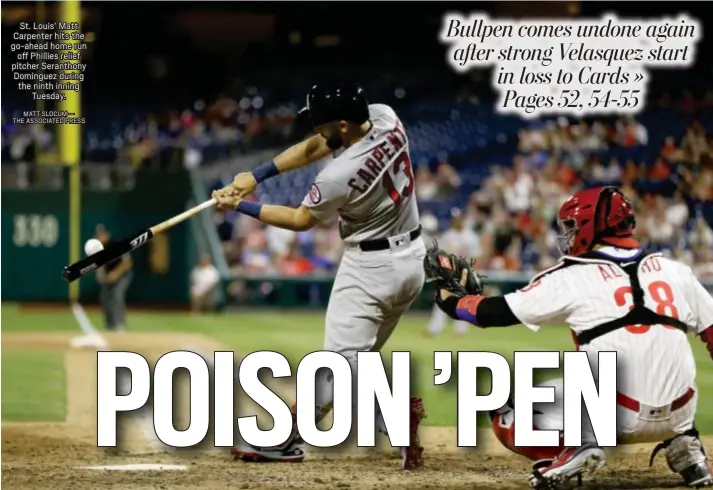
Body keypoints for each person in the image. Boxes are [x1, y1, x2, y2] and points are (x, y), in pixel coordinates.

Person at [433, 187, 713, 489]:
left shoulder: (572, 275)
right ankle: (686, 447)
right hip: (681, 410)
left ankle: (576, 448)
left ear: (592, 226)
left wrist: (450, 301)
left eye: (572, 226)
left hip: (611, 413)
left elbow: (493, 314)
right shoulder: (677, 272)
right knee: (664, 362)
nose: (568, 234)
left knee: (505, 408)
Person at [212, 81, 427, 470]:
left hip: (370, 268)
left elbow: (299, 220)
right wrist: (257, 174)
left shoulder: (338, 175)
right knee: (345, 363)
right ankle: (291, 434)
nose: (315, 129)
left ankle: (394, 417)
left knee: (340, 363)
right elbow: (320, 145)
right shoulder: (384, 117)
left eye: (323, 122)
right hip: (412, 259)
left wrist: (241, 205)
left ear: (343, 124)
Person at [424, 208, 479, 337]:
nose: (457, 220)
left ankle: (460, 331)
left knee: (464, 303)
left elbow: (475, 257)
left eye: (459, 218)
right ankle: (434, 329)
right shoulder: (448, 235)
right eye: (455, 218)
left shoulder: (471, 237)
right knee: (441, 300)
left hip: (465, 272)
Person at [95, 225, 133, 332]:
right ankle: (109, 325)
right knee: (105, 297)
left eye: (101, 235)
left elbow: (127, 263)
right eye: (98, 235)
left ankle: (120, 324)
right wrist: (101, 276)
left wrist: (114, 275)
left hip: (123, 275)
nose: (99, 237)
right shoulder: (98, 248)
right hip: (109, 276)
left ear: (107, 235)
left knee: (117, 294)